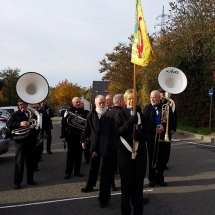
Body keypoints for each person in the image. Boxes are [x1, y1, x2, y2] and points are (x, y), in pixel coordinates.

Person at [115, 89, 148, 215]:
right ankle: (125, 211)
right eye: (129, 99)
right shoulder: (120, 115)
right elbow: (117, 132)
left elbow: (149, 135)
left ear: (137, 100)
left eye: (133, 99)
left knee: (138, 186)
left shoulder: (142, 116)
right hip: (125, 154)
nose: (131, 101)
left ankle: (138, 211)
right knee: (126, 186)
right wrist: (129, 123)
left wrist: (141, 137)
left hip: (140, 155)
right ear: (125, 100)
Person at [92, 94, 125, 208]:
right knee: (126, 175)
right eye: (124, 101)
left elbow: (99, 133)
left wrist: (95, 148)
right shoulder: (121, 113)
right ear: (120, 102)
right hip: (118, 149)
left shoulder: (105, 114)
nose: (125, 103)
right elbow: (122, 132)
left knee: (105, 176)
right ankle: (129, 198)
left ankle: (103, 199)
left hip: (105, 149)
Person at [143, 90, 176, 187]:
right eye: (151, 97)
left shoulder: (166, 107)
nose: (152, 99)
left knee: (163, 158)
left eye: (154, 97)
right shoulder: (147, 108)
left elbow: (172, 120)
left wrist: (164, 127)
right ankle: (152, 179)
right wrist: (154, 128)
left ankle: (160, 177)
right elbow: (145, 123)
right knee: (152, 158)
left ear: (159, 98)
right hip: (152, 137)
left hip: (163, 136)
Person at [6, 99, 38, 189]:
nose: (22, 106)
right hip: (20, 141)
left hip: (30, 141)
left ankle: (30, 179)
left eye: (23, 104)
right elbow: (9, 124)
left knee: (31, 162)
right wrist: (20, 123)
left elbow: (36, 124)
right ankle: (17, 182)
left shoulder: (33, 114)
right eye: (20, 104)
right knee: (19, 163)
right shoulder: (15, 114)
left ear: (27, 104)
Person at [80, 95, 107, 193]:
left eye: (103, 102)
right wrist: (83, 140)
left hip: (106, 145)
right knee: (93, 167)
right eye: (99, 103)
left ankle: (110, 184)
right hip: (94, 145)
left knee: (107, 167)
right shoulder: (91, 114)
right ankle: (90, 185)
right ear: (95, 104)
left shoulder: (109, 114)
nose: (101, 104)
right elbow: (86, 129)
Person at [61, 97, 88, 179]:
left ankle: (77, 171)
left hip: (80, 137)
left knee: (79, 155)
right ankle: (68, 172)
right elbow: (63, 124)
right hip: (70, 137)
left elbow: (86, 125)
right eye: (77, 102)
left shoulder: (84, 112)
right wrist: (63, 136)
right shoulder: (68, 112)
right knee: (70, 155)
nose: (78, 103)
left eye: (79, 102)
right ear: (72, 103)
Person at [157, 88, 177, 170]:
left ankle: (164, 163)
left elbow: (174, 116)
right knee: (158, 147)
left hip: (167, 129)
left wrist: (173, 128)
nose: (162, 95)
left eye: (163, 94)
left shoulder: (169, 103)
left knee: (166, 148)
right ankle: (158, 162)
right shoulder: (156, 104)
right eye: (160, 94)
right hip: (158, 129)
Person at [31, 103, 49, 170]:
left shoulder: (43, 113)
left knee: (39, 149)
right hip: (32, 134)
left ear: (39, 107)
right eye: (34, 107)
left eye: (37, 107)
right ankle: (33, 166)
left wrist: (46, 132)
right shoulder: (30, 114)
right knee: (33, 150)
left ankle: (36, 162)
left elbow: (47, 123)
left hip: (40, 133)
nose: (35, 109)